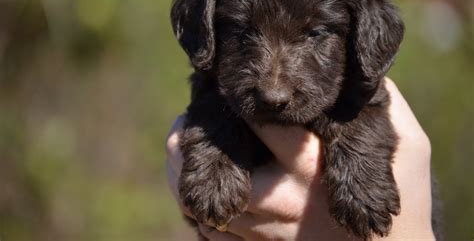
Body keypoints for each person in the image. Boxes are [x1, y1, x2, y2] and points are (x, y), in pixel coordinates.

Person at [165, 79, 435, 241]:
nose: (274, 89)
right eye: (244, 32)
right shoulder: (220, 99)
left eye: (313, 34)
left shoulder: (355, 95)